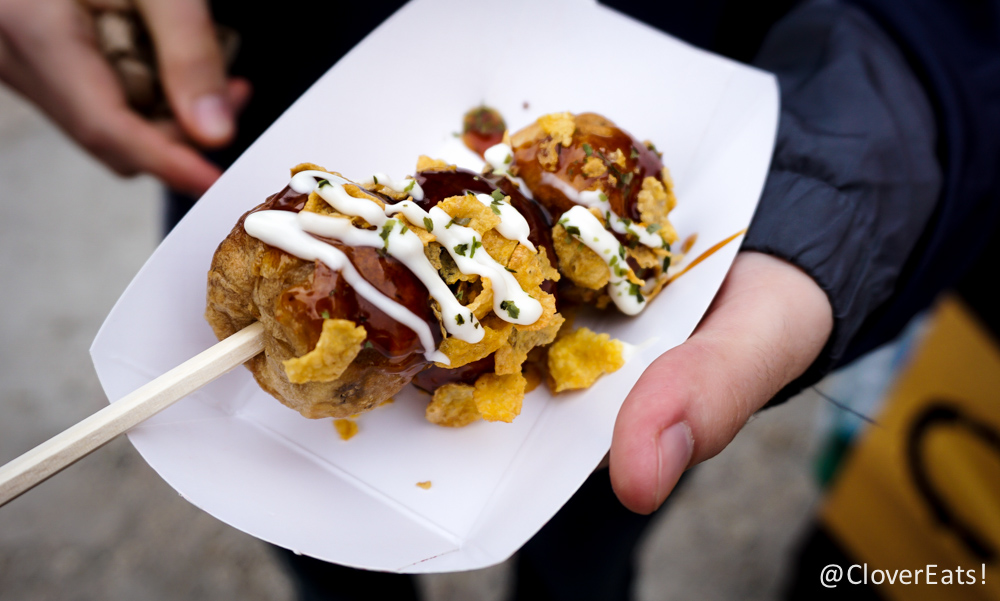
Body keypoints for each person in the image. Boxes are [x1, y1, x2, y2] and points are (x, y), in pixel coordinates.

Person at [2, 1, 997, 599]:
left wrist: (878, 133)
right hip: (247, 104)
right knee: (317, 550)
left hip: (712, 48)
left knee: (586, 545)